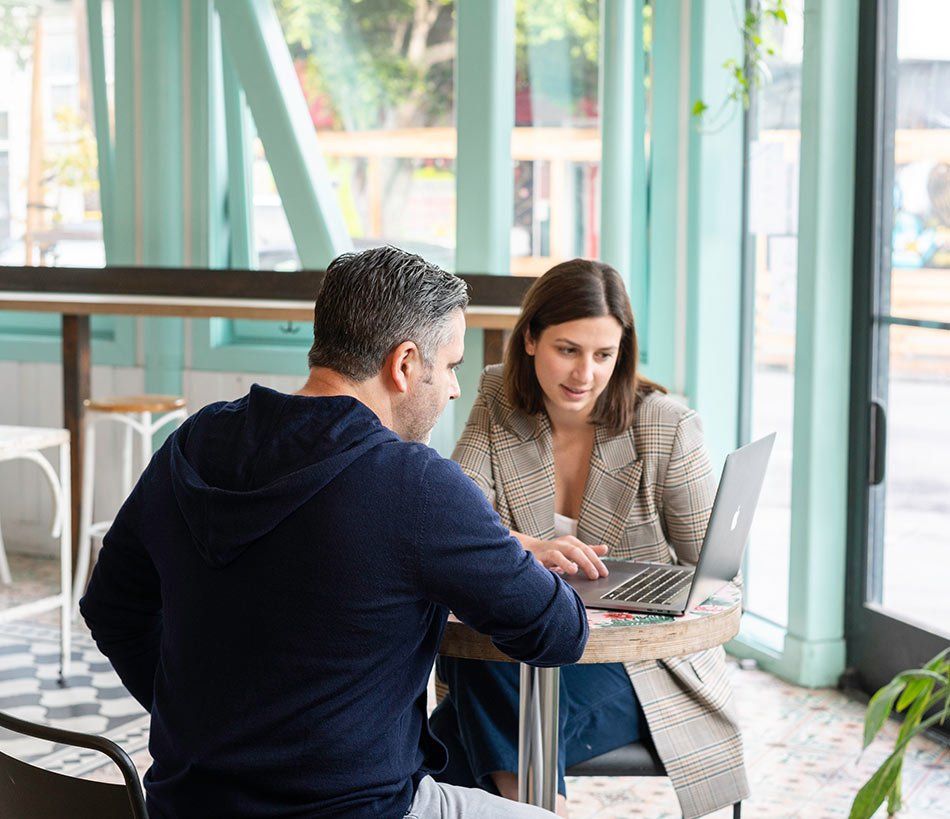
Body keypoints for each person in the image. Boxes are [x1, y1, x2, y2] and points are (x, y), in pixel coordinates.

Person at [80, 246, 589, 819]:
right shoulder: (417, 486)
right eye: (450, 366)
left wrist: (201, 729)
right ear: (404, 364)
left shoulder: (193, 443)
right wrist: (499, 545)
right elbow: (559, 632)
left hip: (185, 806)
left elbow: (110, 607)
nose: (453, 388)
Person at [430, 259, 749, 819]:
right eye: (568, 350)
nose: (585, 374)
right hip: (527, 648)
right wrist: (528, 546)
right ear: (530, 339)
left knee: (441, 739)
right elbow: (455, 521)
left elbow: (716, 574)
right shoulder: (499, 395)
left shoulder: (666, 426)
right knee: (486, 675)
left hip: (639, 666)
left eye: (604, 355)